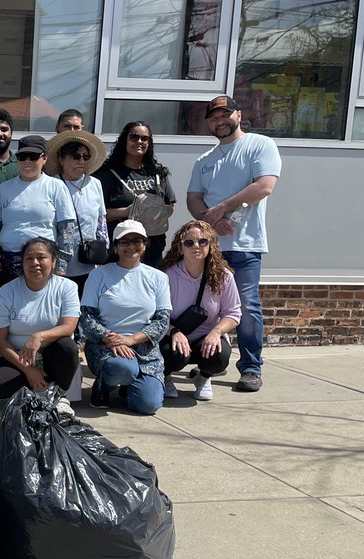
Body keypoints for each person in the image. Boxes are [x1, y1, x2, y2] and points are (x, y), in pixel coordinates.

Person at [186, 94, 282, 393]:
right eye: (214, 118)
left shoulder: (259, 145)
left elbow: (264, 186)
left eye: (225, 115)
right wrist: (211, 219)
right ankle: (206, 365)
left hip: (244, 245)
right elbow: (193, 198)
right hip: (208, 247)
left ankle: (251, 368)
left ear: (238, 115)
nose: (220, 121)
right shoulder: (205, 160)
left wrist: (221, 208)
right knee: (205, 308)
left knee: (247, 306)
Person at [80, 220, 171, 415]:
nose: (131, 246)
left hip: (144, 347)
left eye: (137, 241)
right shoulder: (98, 275)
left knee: (148, 405)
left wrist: (131, 339)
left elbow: (162, 321)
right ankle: (102, 388)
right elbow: (86, 317)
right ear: (115, 247)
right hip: (106, 345)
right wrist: (110, 338)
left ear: (145, 244)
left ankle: (129, 386)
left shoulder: (158, 277)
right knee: (122, 367)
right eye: (124, 242)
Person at [0, 237, 80, 413]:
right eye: (29, 258)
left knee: (68, 347)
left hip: (52, 356)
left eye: (41, 257)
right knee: (0, 385)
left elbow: (69, 327)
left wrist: (39, 336)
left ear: (53, 262)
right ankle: (35, 390)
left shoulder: (67, 288)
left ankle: (58, 394)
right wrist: (29, 370)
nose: (35, 263)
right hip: (17, 356)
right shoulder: (6, 292)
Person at [160, 220, 242, 402]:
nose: (196, 246)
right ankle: (165, 377)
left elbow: (233, 313)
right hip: (172, 334)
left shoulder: (224, 276)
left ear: (211, 245)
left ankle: (203, 377)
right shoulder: (167, 275)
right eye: (189, 242)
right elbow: (154, 314)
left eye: (202, 241)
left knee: (219, 355)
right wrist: (173, 331)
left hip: (205, 336)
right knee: (174, 354)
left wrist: (216, 332)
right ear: (180, 248)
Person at [0, 135, 76, 285]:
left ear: (44, 158)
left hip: (42, 262)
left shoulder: (56, 186)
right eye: (22, 157)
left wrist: (62, 264)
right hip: (8, 261)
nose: (27, 161)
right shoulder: (4, 188)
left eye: (33, 156)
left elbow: (67, 228)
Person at [94, 121, 176, 268]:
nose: (139, 142)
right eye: (134, 137)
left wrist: (155, 212)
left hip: (153, 249)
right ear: (124, 140)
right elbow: (95, 216)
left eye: (145, 139)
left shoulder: (158, 173)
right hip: (119, 252)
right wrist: (128, 211)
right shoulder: (106, 174)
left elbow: (169, 205)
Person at [46, 129, 108, 298]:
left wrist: (103, 253)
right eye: (75, 156)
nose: (81, 161)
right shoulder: (52, 184)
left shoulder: (94, 183)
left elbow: (101, 222)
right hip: (60, 265)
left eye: (85, 157)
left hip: (89, 261)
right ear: (61, 158)